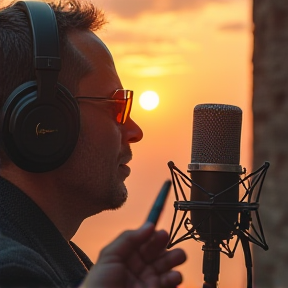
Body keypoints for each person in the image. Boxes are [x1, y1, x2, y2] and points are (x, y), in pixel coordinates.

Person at [0, 0, 187, 287]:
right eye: (116, 106)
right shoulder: (15, 271)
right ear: (45, 123)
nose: (135, 131)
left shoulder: (51, 256)